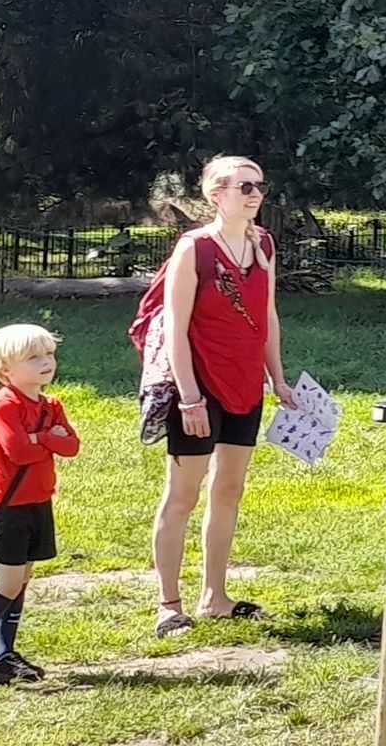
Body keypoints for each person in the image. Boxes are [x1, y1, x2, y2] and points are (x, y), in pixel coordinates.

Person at [148, 154, 294, 637]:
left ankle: (215, 597)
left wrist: (277, 378)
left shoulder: (263, 244)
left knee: (229, 489)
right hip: (199, 385)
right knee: (182, 494)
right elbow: (175, 328)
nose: (255, 195)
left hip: (246, 384)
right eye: (243, 186)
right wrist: (189, 398)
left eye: (259, 186)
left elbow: (267, 315)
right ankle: (169, 604)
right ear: (215, 195)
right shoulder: (194, 248)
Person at [0, 324, 78, 689]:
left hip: (38, 504)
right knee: (8, 583)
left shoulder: (50, 404)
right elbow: (19, 451)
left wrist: (38, 438)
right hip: (9, 509)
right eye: (33, 357)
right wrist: (46, 437)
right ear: (5, 370)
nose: (46, 362)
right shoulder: (3, 405)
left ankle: (5, 653)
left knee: (22, 580)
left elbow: (72, 446)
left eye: (49, 354)